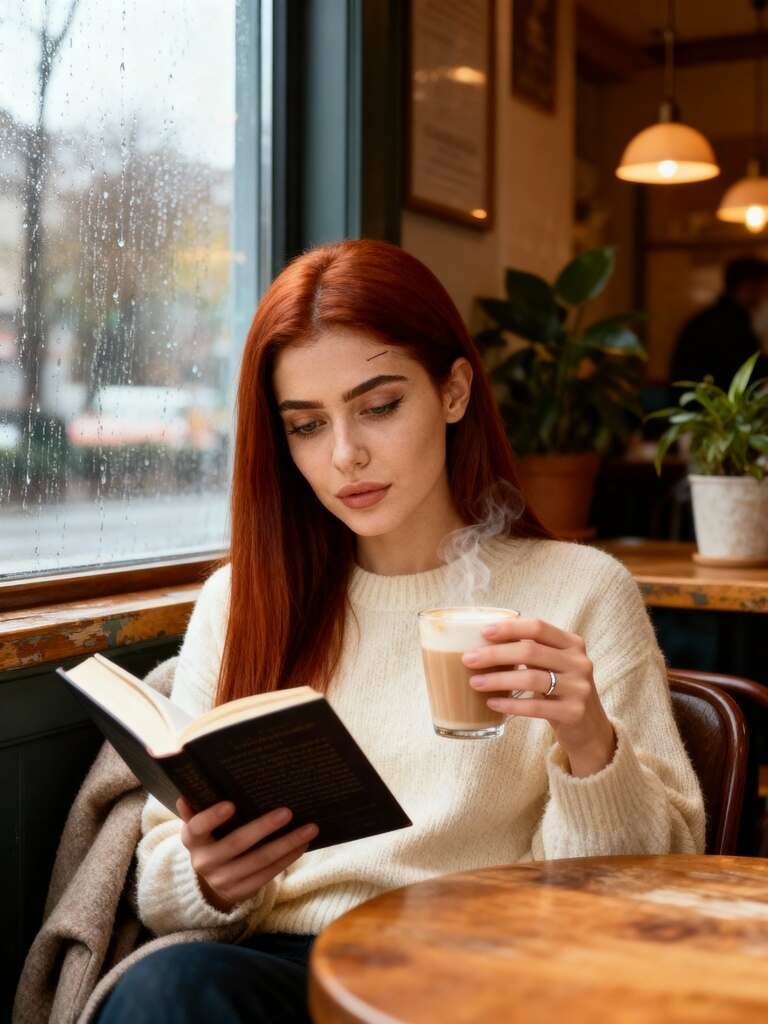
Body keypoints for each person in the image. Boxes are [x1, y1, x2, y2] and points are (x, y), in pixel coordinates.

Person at [95, 239, 705, 1023]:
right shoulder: (244, 599)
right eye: (307, 425)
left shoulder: (579, 590)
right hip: (287, 972)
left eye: (379, 407)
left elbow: (649, 889)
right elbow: (161, 883)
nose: (346, 455)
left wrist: (591, 745)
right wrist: (208, 878)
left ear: (453, 392)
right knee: (166, 989)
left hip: (487, 975)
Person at [670, 257, 768, 389]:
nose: (765, 294)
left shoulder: (710, 319)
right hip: (710, 406)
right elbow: (747, 370)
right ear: (748, 286)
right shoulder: (731, 324)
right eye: (764, 286)